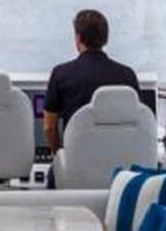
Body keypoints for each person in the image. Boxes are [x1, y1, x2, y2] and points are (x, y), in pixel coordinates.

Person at [43, 9, 140, 151]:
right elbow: (136, 122)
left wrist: (60, 157)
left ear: (78, 38)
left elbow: (49, 128)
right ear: (105, 38)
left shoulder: (61, 74)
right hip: (118, 164)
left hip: (77, 165)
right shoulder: (128, 75)